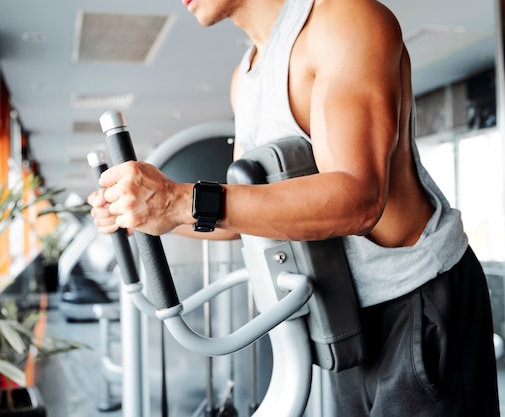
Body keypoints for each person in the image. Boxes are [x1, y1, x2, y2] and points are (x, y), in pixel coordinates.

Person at [88, 0, 500, 415]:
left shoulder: (343, 20)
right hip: (344, 316)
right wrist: (148, 213)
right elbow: (248, 217)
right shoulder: (245, 76)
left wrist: (180, 200)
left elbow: (359, 199)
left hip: (418, 297)